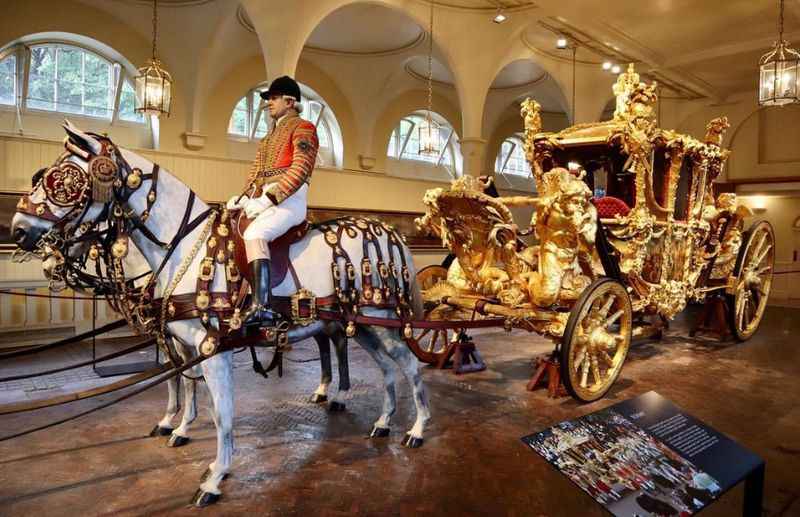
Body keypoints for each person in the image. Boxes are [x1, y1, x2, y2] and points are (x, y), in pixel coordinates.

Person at [227, 76, 319, 325]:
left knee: (256, 233)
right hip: (263, 199)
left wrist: (268, 199)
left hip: (290, 201)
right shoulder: (267, 139)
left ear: (290, 101)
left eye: (273, 98)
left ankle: (261, 304)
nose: (269, 103)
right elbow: (255, 174)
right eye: (269, 98)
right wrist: (244, 197)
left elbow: (299, 170)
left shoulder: (304, 128)